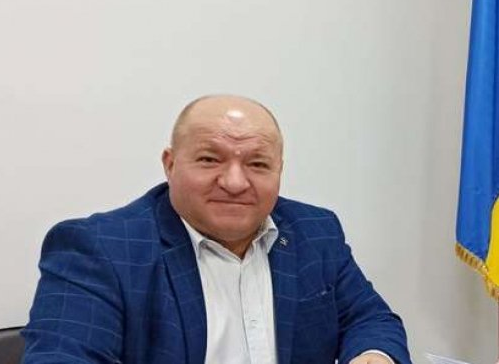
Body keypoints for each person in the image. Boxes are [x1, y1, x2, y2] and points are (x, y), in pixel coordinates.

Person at [22, 95, 411, 364]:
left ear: (279, 170)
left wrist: (373, 356)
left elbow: (370, 319)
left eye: (257, 164)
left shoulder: (315, 232)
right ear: (170, 164)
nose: (235, 182)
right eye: (210, 159)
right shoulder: (98, 249)